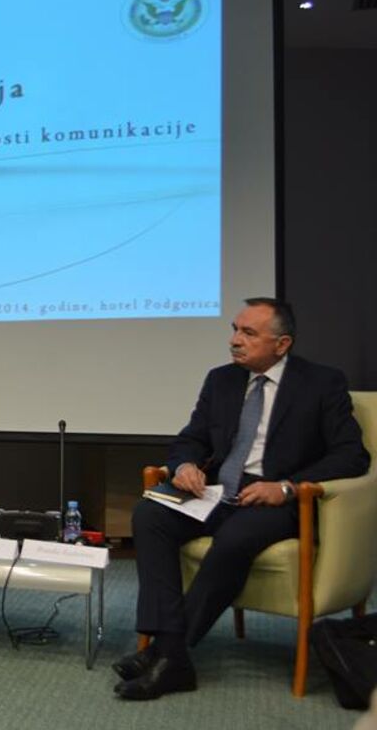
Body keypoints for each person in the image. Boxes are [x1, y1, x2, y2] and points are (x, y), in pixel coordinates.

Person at [115, 298, 370, 700]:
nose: (235, 340)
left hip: (278, 499)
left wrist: (285, 486)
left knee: (235, 537)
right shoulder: (221, 380)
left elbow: (352, 455)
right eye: (235, 329)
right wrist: (184, 465)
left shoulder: (322, 383)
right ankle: (171, 651)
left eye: (248, 333)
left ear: (282, 344)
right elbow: (191, 438)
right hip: (217, 490)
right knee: (150, 514)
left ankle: (166, 655)